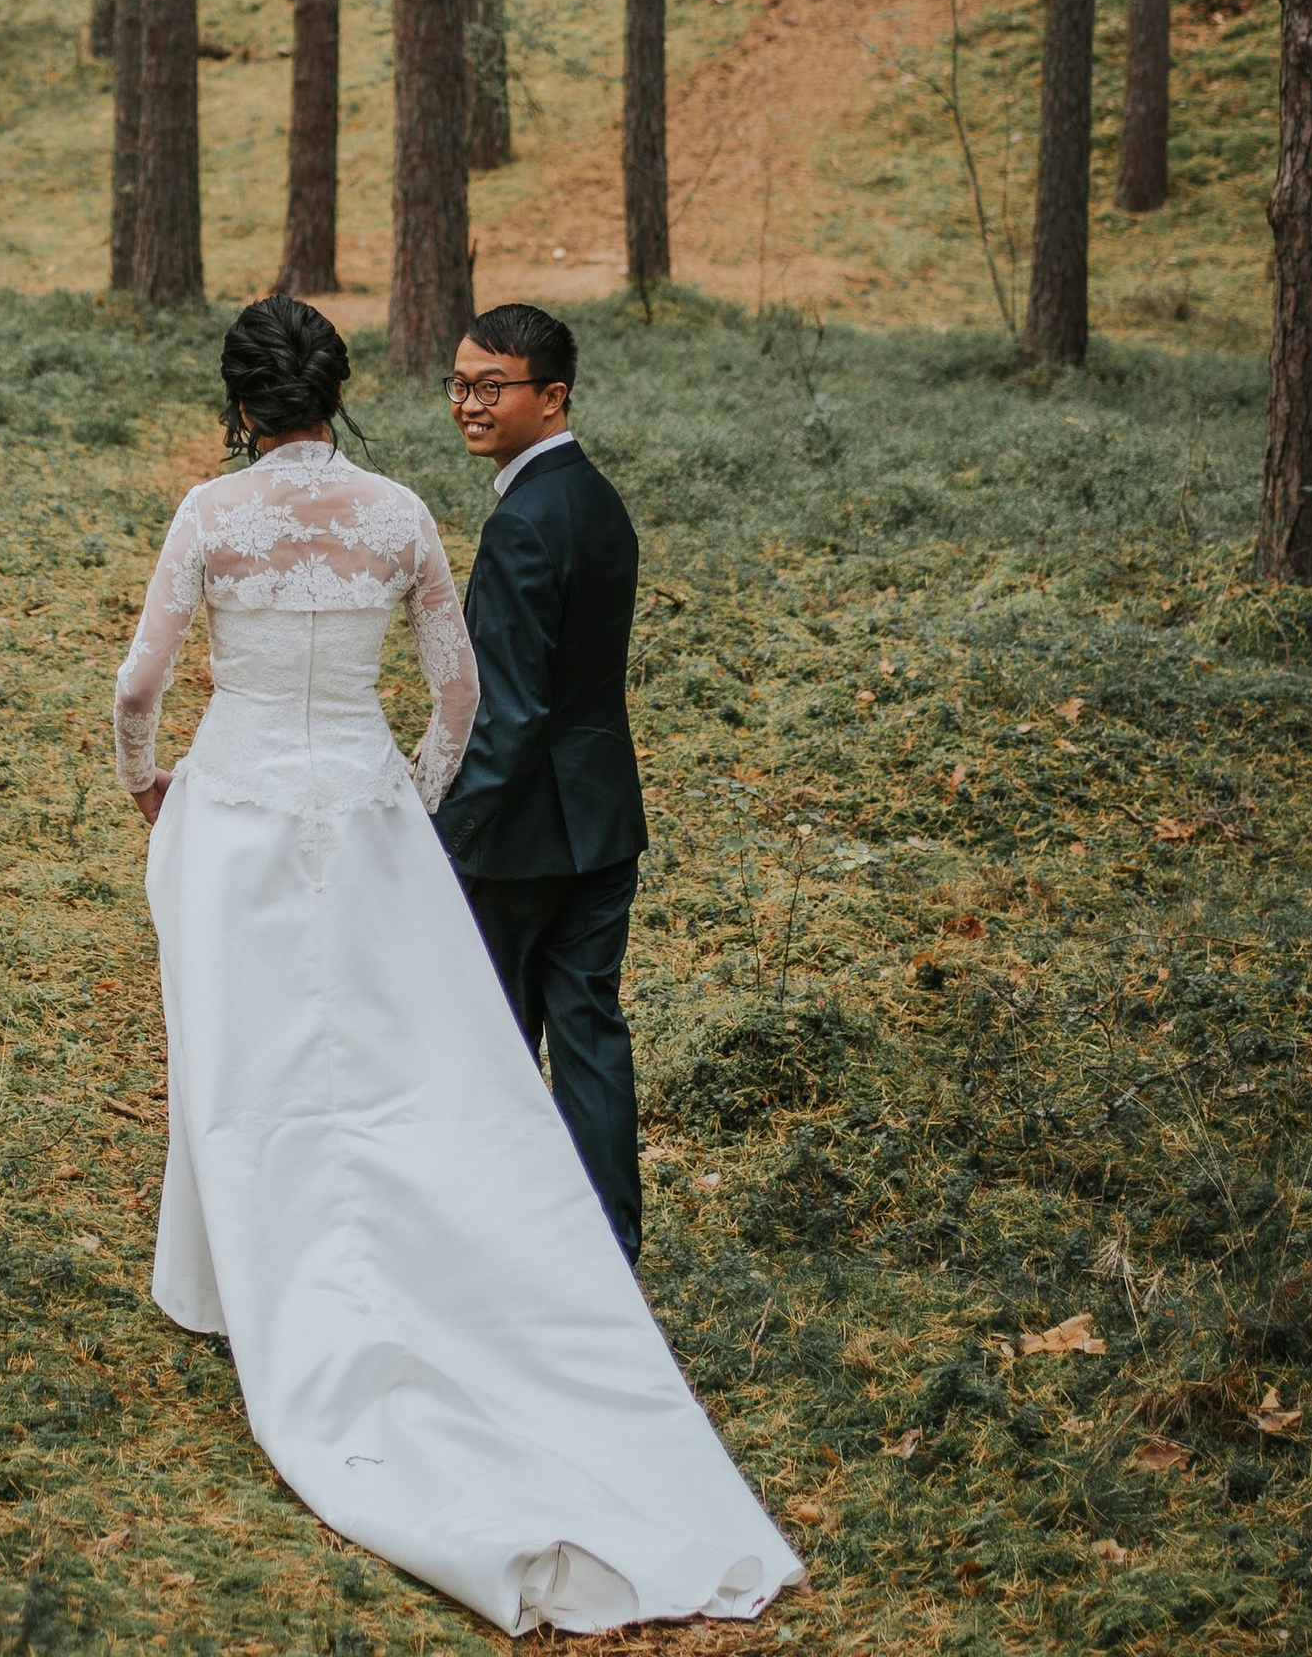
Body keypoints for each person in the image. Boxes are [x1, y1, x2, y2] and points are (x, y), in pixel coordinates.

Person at [112, 296, 799, 1637]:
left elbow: (142, 684)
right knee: (374, 1042)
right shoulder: (403, 514)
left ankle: (219, 1284)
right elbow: (460, 692)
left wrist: (148, 783)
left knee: (234, 1035)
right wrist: (412, 792)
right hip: (363, 805)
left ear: (242, 399)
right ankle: (353, 1248)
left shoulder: (207, 514)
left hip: (238, 804)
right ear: (341, 389)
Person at [434, 302, 648, 1263]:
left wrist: (450, 836)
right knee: (590, 1031)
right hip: (603, 820)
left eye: (492, 387)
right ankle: (607, 1247)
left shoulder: (523, 523)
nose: (469, 405)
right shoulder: (597, 499)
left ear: (551, 397)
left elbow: (510, 712)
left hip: (522, 839)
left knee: (493, 1041)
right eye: (459, 384)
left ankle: (498, 1239)